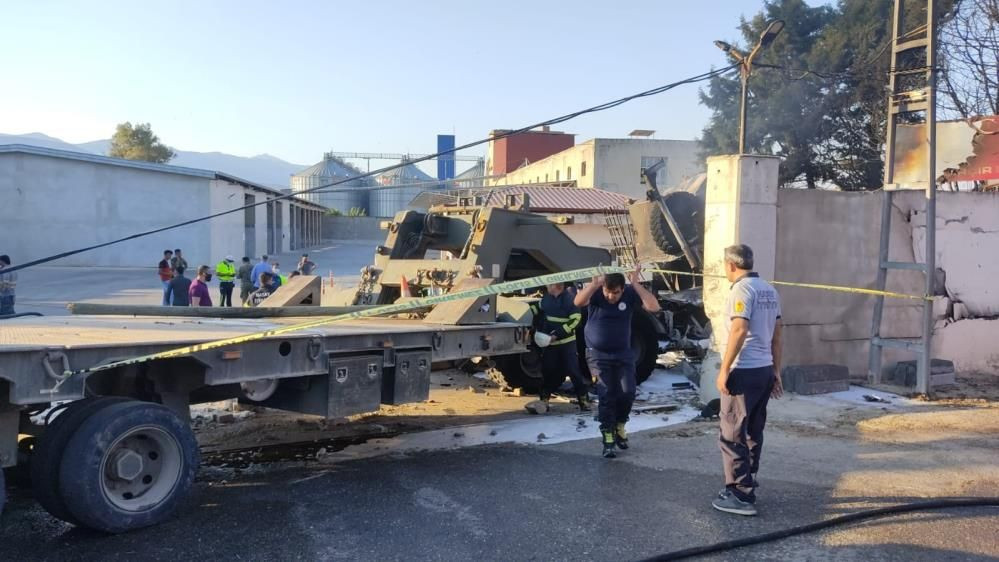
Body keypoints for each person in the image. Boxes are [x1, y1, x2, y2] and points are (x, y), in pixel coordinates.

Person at [712, 244, 783, 517]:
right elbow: (778, 333)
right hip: (763, 368)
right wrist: (776, 370)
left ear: (730, 265)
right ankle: (748, 478)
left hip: (743, 369)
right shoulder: (769, 289)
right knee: (753, 430)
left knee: (732, 432)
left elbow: (739, 329)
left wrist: (724, 368)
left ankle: (740, 494)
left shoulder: (741, 290)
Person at [574, 266, 660, 459]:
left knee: (628, 392)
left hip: (623, 354)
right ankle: (608, 437)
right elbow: (578, 302)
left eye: (615, 293)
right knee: (606, 394)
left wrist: (636, 284)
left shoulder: (629, 294)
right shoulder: (597, 292)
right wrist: (594, 284)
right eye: (608, 291)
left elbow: (653, 306)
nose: (611, 296)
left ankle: (620, 425)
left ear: (622, 289)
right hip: (598, 355)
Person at [529, 282, 588, 413]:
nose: (547, 287)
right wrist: (523, 313)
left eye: (550, 285)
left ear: (559, 287)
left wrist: (558, 334)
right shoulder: (547, 298)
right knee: (548, 371)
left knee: (574, 372)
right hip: (550, 344)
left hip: (567, 343)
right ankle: (544, 400)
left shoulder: (569, 300)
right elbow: (537, 308)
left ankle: (583, 400)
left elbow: (576, 320)